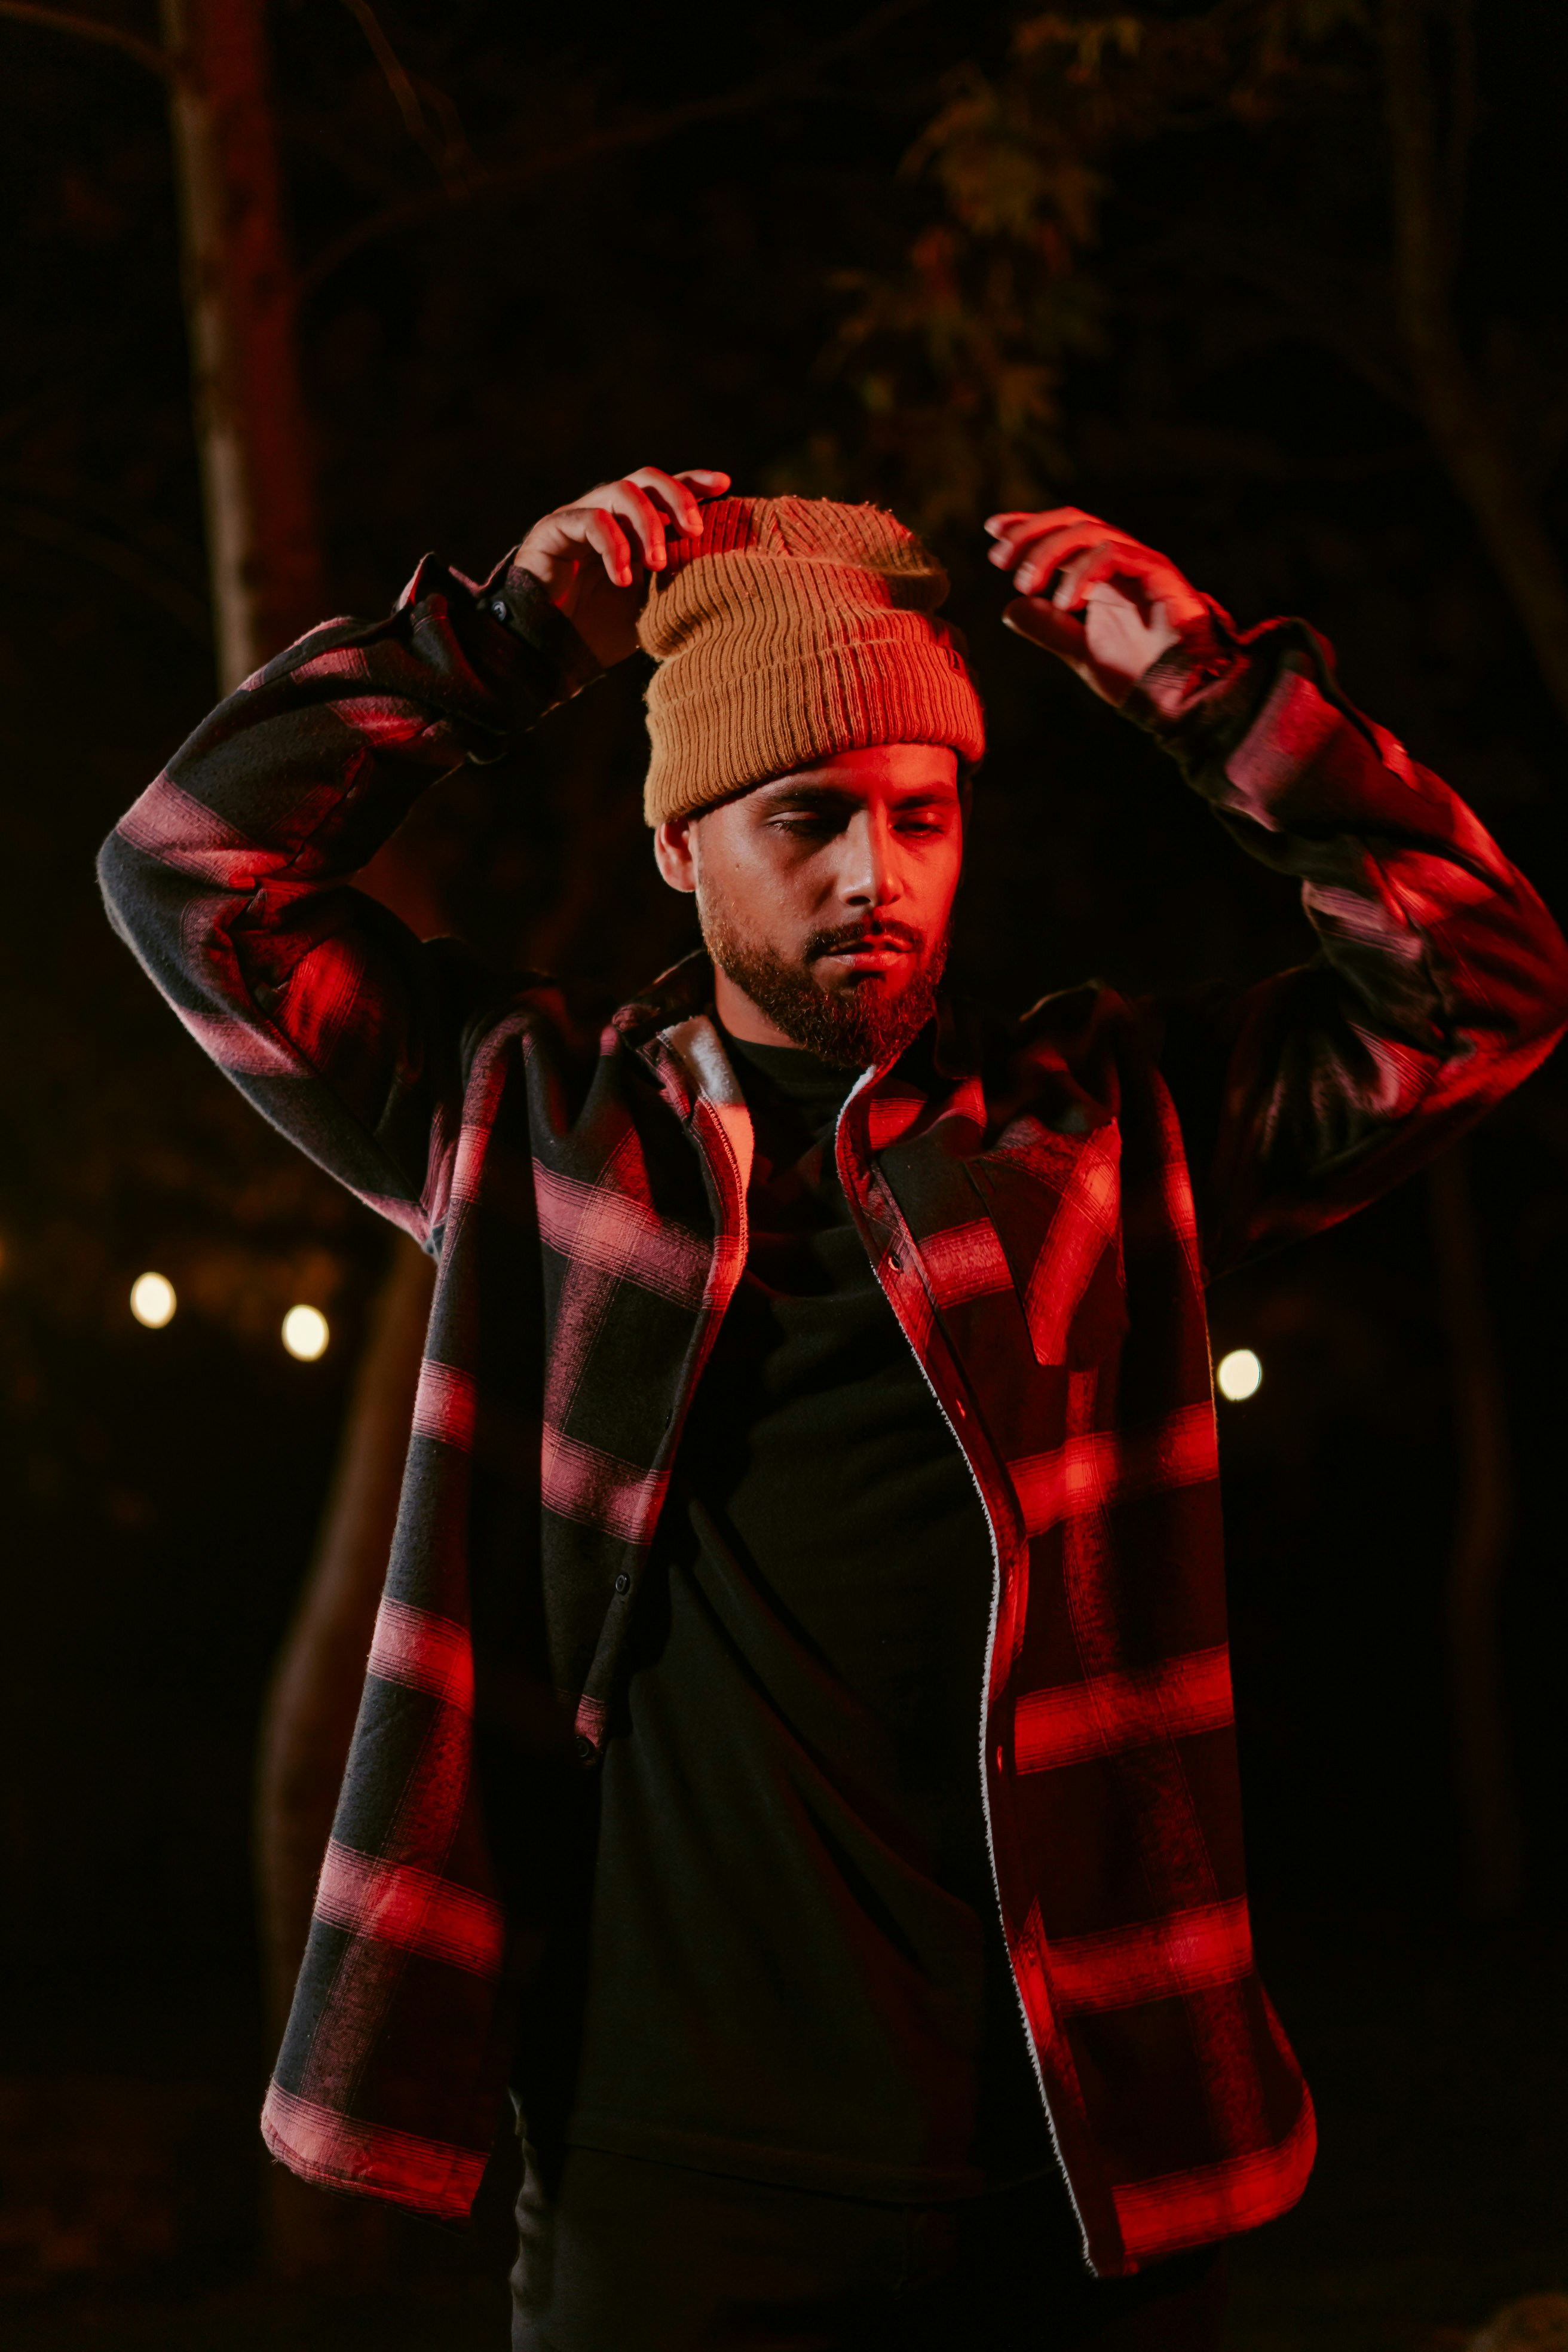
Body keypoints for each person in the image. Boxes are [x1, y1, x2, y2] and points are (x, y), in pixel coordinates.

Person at [100, 467, 1568, 2350]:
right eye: (808, 819)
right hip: (670, 2183)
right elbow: (185, 872)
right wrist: (485, 648)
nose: (877, 878)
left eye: (924, 816)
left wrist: (1211, 692)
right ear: (679, 847)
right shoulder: (534, 1124)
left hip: (1069, 2170)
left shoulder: (1110, 1131)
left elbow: (1487, 986)